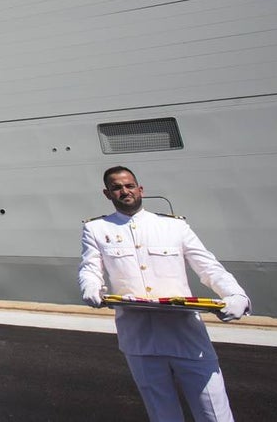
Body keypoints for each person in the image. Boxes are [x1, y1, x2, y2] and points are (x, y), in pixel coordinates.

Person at [79, 166, 251, 422]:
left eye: (129, 185)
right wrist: (90, 287)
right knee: (162, 415)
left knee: (214, 413)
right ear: (107, 193)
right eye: (116, 187)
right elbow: (90, 268)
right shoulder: (96, 229)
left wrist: (236, 295)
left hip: (186, 336)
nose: (124, 191)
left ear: (140, 189)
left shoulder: (173, 227)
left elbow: (208, 267)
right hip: (140, 339)